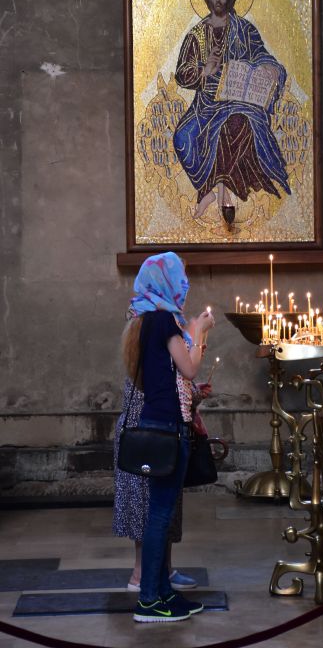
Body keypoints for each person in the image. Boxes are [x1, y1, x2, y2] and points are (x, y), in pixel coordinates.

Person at [121, 252, 214, 623]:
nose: (184, 285)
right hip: (166, 426)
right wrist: (199, 332)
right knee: (159, 515)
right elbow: (189, 368)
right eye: (181, 278)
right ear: (166, 282)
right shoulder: (164, 321)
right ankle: (149, 600)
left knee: (159, 513)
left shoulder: (144, 321)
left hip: (154, 421)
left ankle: (162, 593)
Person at [173, 0, 291, 219]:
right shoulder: (197, 35)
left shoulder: (245, 30)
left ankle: (219, 192)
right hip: (205, 105)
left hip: (239, 101)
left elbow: (262, 56)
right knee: (182, 137)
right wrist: (204, 71)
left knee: (235, 124)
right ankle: (209, 190)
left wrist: (270, 69)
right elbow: (182, 73)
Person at [112, 363, 211, 591]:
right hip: (145, 437)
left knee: (165, 504)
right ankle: (141, 573)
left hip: (160, 433)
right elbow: (162, 391)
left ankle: (164, 569)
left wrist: (192, 392)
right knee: (146, 507)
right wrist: (193, 392)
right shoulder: (149, 342)